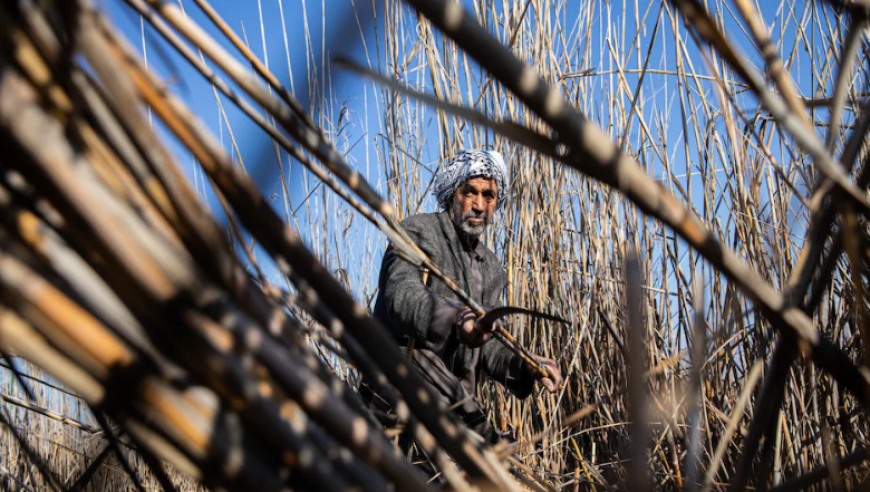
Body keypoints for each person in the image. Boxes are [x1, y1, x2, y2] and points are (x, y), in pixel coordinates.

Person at [365, 149, 563, 453]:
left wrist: (526, 365)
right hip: (400, 397)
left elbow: (489, 344)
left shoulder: (492, 267)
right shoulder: (419, 230)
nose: (479, 204)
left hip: (454, 413)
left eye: (489, 195)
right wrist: (457, 319)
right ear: (451, 194)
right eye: (469, 192)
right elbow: (400, 292)